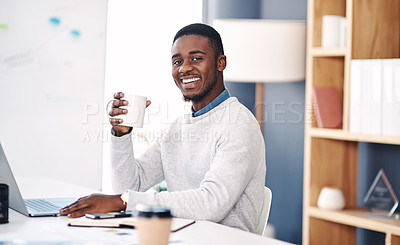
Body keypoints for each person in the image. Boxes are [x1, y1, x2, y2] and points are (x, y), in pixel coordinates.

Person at [61, 23, 266, 233]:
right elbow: (129, 186)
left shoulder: (239, 124)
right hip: (180, 237)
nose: (184, 68)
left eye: (196, 58)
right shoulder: (177, 128)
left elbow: (211, 203)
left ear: (220, 63)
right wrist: (121, 135)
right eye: (177, 61)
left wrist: (123, 202)